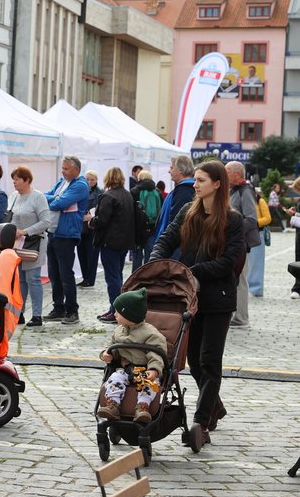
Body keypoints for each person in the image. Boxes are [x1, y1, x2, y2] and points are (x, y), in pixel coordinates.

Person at [150, 160, 245, 444]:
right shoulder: (188, 211)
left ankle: (201, 423)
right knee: (192, 359)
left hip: (219, 299)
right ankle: (214, 406)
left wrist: (191, 272)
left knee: (209, 361)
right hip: (189, 299)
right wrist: (157, 262)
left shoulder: (232, 219)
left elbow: (227, 262)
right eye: (196, 179)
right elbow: (166, 239)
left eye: (201, 180)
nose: (195, 184)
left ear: (217, 184)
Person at [97, 288, 167, 424]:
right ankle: (112, 405)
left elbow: (157, 352)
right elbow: (112, 347)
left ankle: (142, 407)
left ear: (129, 314)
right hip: (127, 369)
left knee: (150, 384)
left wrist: (154, 369)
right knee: (115, 378)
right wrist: (107, 354)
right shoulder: (119, 331)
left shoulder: (150, 333)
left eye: (118, 312)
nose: (115, 314)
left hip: (145, 370)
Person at [42, 157, 90, 325]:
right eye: (62, 168)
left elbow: (59, 203)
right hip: (54, 232)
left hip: (67, 234)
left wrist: (51, 199)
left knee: (65, 274)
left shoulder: (80, 185)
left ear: (76, 169)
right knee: (53, 273)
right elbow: (48, 196)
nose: (63, 171)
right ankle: (58, 308)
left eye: (66, 169)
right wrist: (51, 198)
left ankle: (72, 310)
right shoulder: (62, 182)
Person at [7, 166, 53, 327]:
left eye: (17, 178)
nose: (14, 182)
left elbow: (46, 221)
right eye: (13, 178)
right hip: (16, 244)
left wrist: (25, 231)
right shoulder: (13, 196)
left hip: (34, 243)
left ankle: (37, 315)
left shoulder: (38, 197)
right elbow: (10, 217)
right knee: (20, 280)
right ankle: (19, 313)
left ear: (27, 180)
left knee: (33, 278)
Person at [90, 167, 135, 323]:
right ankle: (116, 309)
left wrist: (91, 220)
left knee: (113, 278)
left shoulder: (108, 196)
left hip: (110, 242)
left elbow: (102, 220)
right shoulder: (127, 195)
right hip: (124, 242)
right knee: (118, 275)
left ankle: (115, 310)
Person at [227, 161, 259, 328]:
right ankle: (235, 315)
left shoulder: (245, 190)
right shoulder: (235, 190)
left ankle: (241, 318)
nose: (225, 175)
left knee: (240, 280)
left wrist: (232, 230)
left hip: (240, 243)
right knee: (235, 279)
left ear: (237, 173)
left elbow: (251, 219)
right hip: (235, 242)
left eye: (227, 172)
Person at [152, 155, 195, 243]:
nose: (169, 171)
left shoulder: (184, 190)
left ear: (180, 170)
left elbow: (177, 224)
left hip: (171, 248)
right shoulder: (182, 189)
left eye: (171, 168)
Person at [77, 169, 103, 288]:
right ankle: (85, 277)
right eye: (88, 179)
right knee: (81, 252)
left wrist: (91, 217)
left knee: (91, 254)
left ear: (96, 180)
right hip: (80, 226)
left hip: (93, 227)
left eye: (92, 180)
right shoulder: (80, 190)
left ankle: (90, 279)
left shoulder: (100, 193)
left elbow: (102, 211)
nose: (89, 181)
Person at [131, 170, 161, 269]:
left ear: (139, 178)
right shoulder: (157, 192)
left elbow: (131, 211)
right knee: (150, 256)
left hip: (137, 228)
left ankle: (136, 281)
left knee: (137, 257)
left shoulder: (135, 191)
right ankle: (148, 279)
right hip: (153, 228)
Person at [247, 192, 271, 298]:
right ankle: (248, 287)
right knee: (247, 263)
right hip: (246, 232)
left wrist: (254, 222)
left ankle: (256, 289)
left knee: (256, 263)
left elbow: (267, 218)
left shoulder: (260, 201)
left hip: (258, 233)